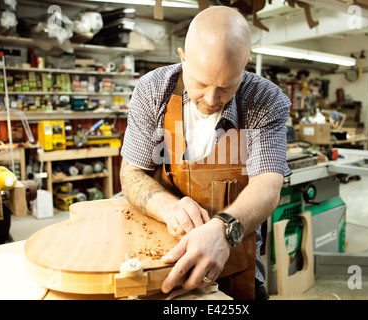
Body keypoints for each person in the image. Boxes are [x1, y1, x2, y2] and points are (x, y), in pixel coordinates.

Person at [120, 6, 291, 300]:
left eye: (226, 87)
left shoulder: (265, 99)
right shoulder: (152, 91)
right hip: (163, 258)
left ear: (245, 65)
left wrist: (224, 229)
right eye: (200, 84)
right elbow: (131, 172)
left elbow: (268, 184)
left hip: (237, 265)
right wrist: (168, 207)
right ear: (182, 57)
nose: (212, 100)